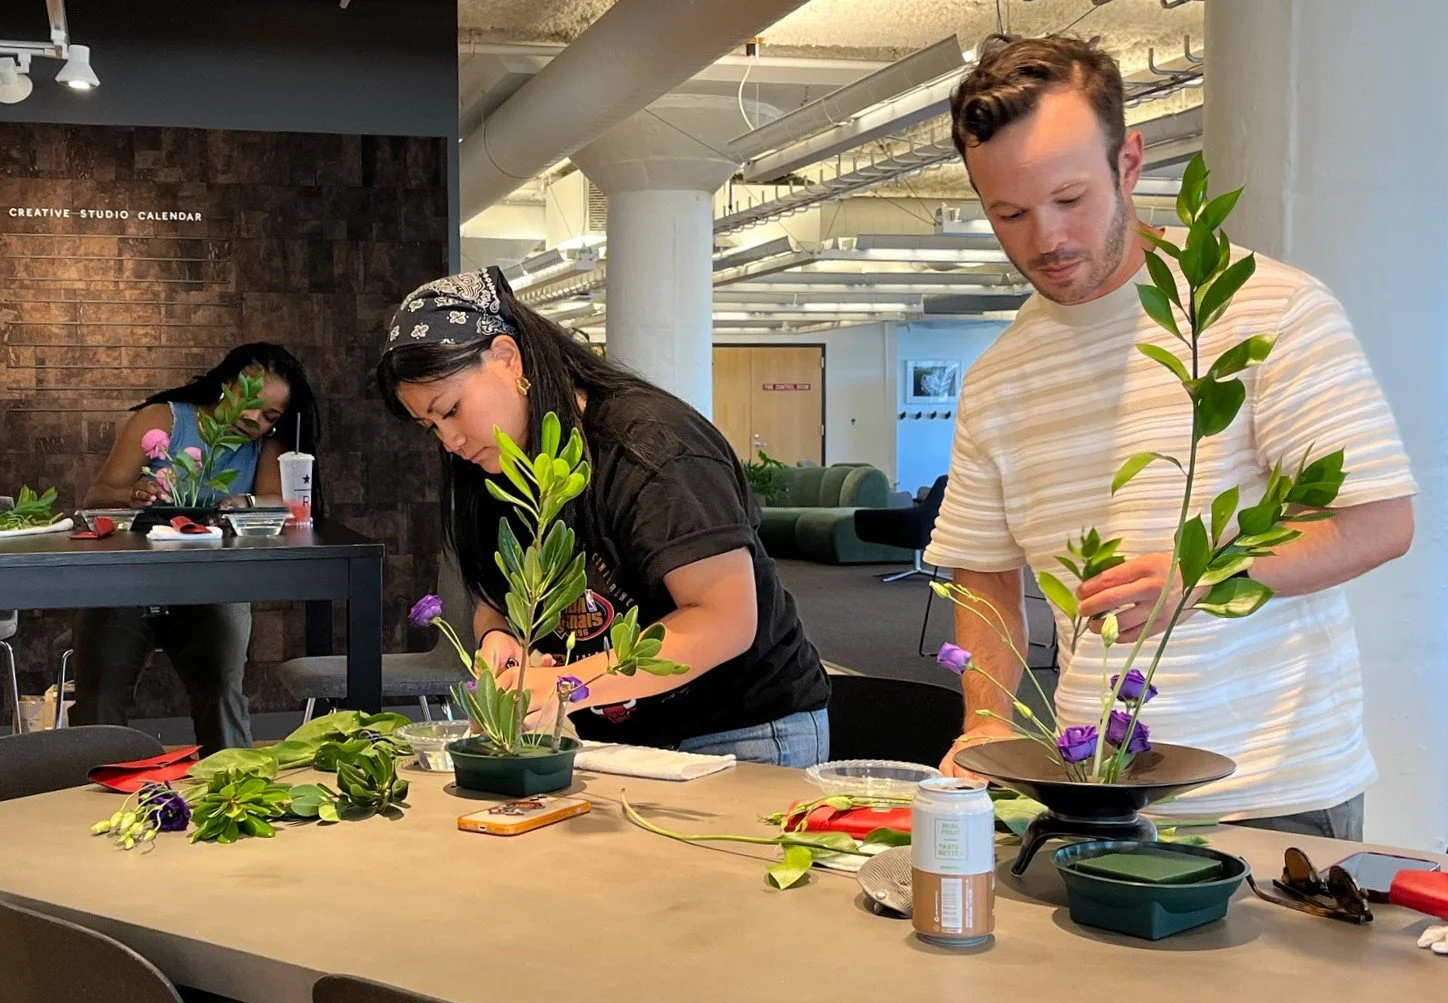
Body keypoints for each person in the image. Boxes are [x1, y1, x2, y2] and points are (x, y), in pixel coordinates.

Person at [925, 36, 1415, 839]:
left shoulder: (1269, 312)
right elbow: (985, 576)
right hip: (1092, 785)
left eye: (1070, 198)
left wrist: (1203, 575)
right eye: (1009, 214)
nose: (1045, 239)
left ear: (1129, 163)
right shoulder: (999, 377)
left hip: (1273, 791)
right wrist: (987, 719)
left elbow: (1379, 521)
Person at [375, 268, 830, 766]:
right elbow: (492, 591)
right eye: (430, 426)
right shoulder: (493, 464)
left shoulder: (652, 447)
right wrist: (498, 636)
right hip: (619, 740)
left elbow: (724, 619)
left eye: (451, 410)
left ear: (507, 358)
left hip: (740, 730)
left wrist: (567, 683)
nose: (450, 441)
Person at [69, 343, 321, 754]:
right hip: (127, 577)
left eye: (270, 417)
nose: (254, 420)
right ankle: (93, 788)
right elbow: (97, 495)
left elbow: (280, 503)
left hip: (212, 582)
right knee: (100, 698)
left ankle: (233, 788)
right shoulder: (163, 419)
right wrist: (133, 494)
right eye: (249, 402)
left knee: (222, 693)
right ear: (226, 384)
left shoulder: (266, 446)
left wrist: (246, 502)